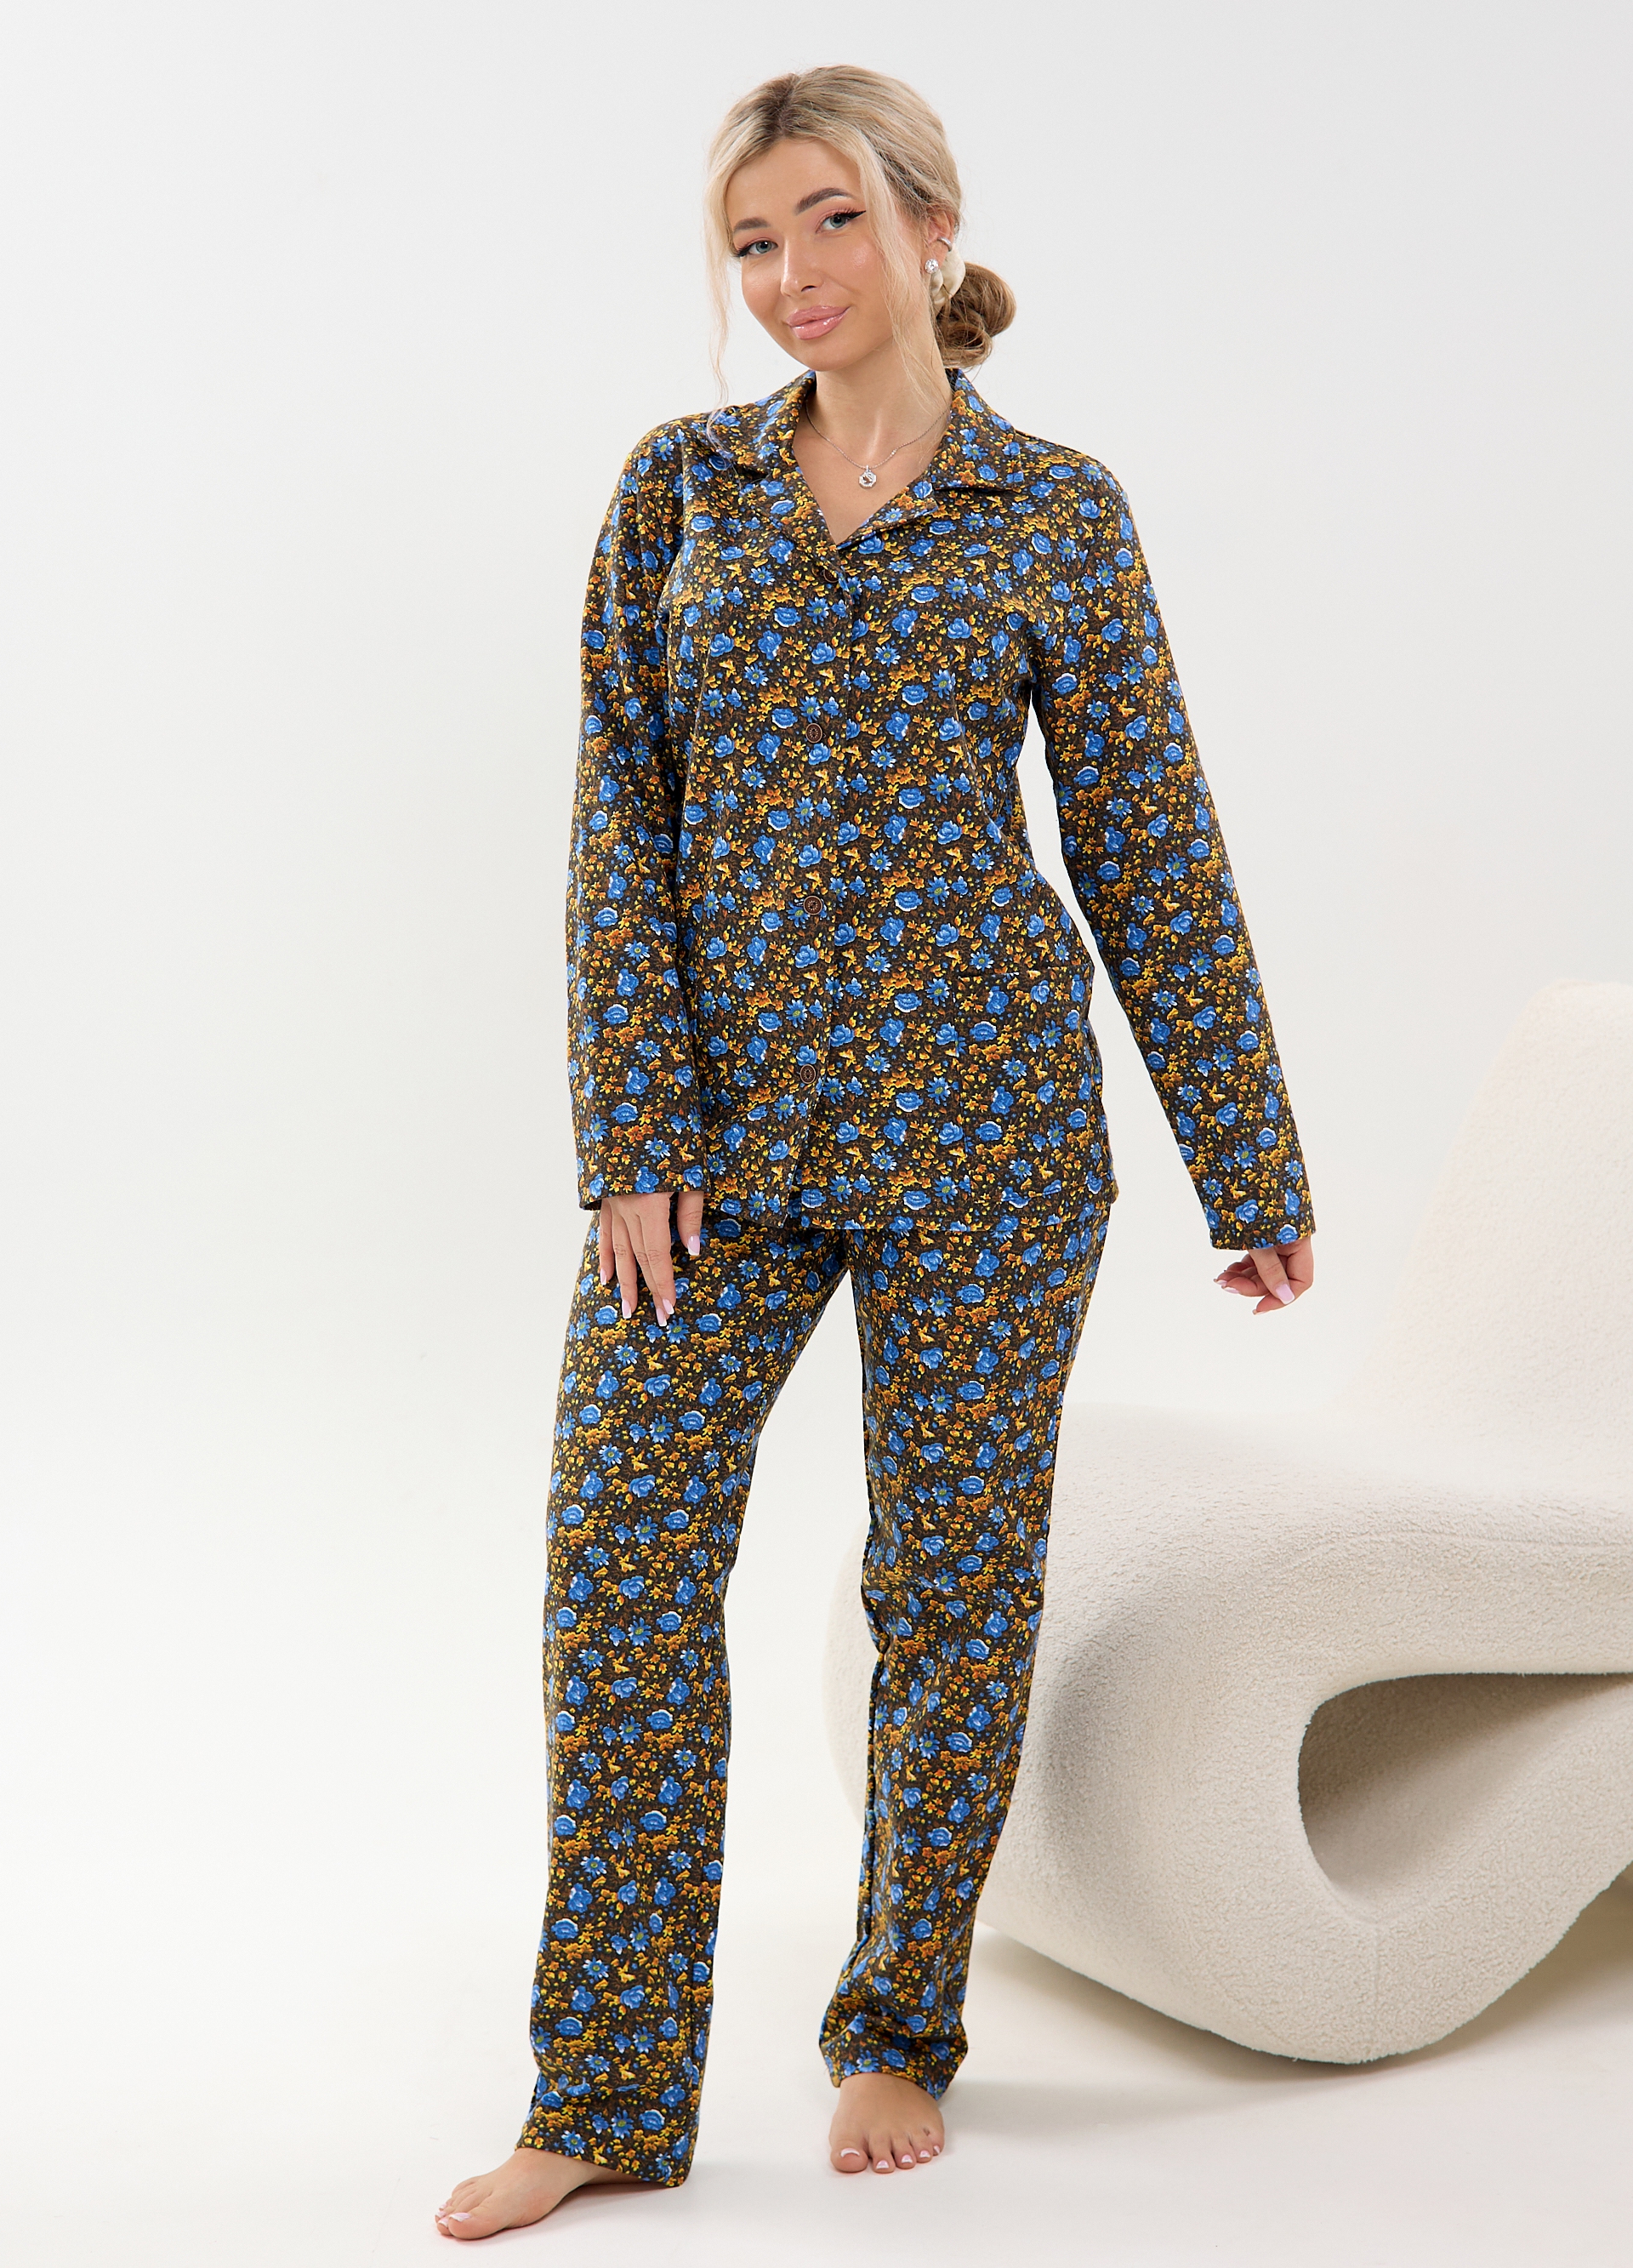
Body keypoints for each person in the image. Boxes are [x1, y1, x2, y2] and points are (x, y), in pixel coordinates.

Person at [435, 62, 1315, 2242]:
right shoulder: (680, 492)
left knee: (947, 1590)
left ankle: (897, 2023)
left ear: (929, 226)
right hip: (714, 1157)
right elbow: (618, 821)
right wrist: (630, 1130)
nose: (791, 275)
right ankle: (607, 2091)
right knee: (622, 1569)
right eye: (752, 241)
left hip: (991, 1141)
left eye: (830, 220)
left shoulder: (1054, 514)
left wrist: (1248, 1165)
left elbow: (1146, 843)